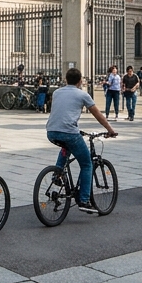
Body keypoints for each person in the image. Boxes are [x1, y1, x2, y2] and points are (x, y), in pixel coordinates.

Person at [46, 68, 117, 215]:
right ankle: (84, 200)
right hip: (69, 132)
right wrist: (110, 130)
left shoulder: (57, 92)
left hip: (51, 131)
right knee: (86, 164)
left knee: (67, 145)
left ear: (66, 79)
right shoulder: (83, 94)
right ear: (80, 81)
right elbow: (98, 115)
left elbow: (62, 112)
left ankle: (57, 174)